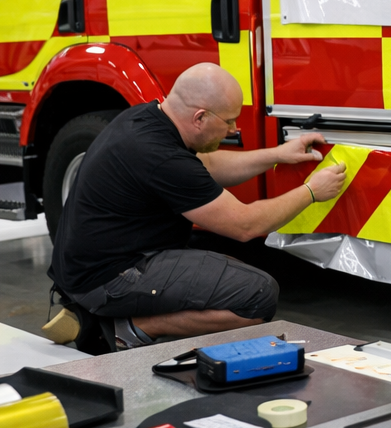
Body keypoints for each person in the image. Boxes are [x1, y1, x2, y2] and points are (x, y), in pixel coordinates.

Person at [47, 62, 347, 351]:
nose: (233, 129)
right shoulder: (160, 156)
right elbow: (245, 225)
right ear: (199, 117)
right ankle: (125, 328)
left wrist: (278, 154)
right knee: (255, 295)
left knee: (229, 271)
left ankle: (95, 312)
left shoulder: (146, 119)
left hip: (87, 268)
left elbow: (207, 164)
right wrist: (311, 192)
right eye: (228, 120)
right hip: (109, 277)